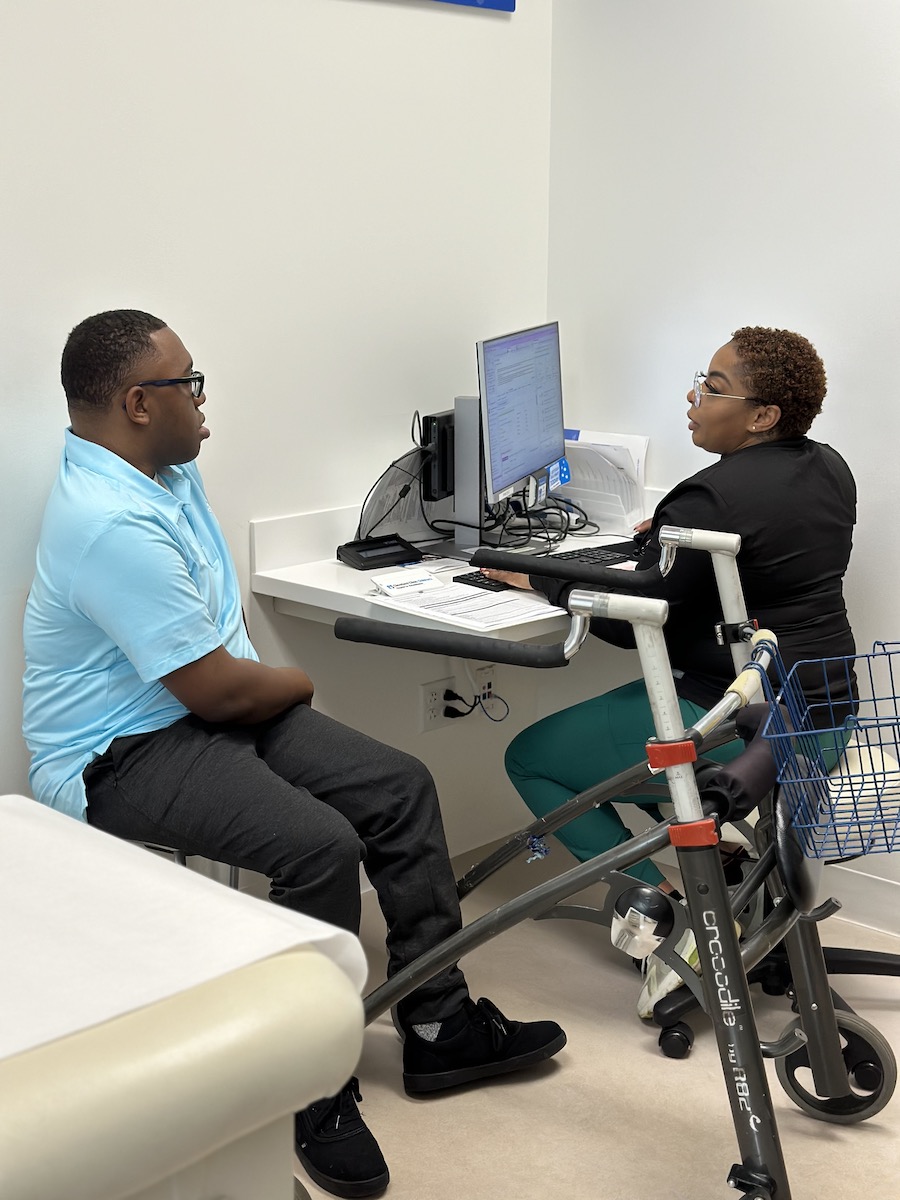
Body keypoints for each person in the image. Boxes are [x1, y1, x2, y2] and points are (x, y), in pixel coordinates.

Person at [22, 309, 566, 1200]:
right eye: (189, 385)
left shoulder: (159, 467)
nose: (204, 405)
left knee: (399, 786)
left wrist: (264, 689)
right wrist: (295, 683)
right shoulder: (106, 519)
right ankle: (312, 1086)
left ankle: (440, 1030)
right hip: (116, 749)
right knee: (319, 846)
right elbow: (219, 692)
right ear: (136, 402)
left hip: (205, 708)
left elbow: (219, 672)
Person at [479, 326, 856, 1016]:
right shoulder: (828, 466)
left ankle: (674, 919)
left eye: (712, 387)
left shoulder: (709, 499)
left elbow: (631, 629)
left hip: (739, 731)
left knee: (532, 758)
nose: (693, 396)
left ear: (764, 415)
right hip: (824, 719)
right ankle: (711, 884)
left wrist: (537, 581)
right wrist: (667, 549)